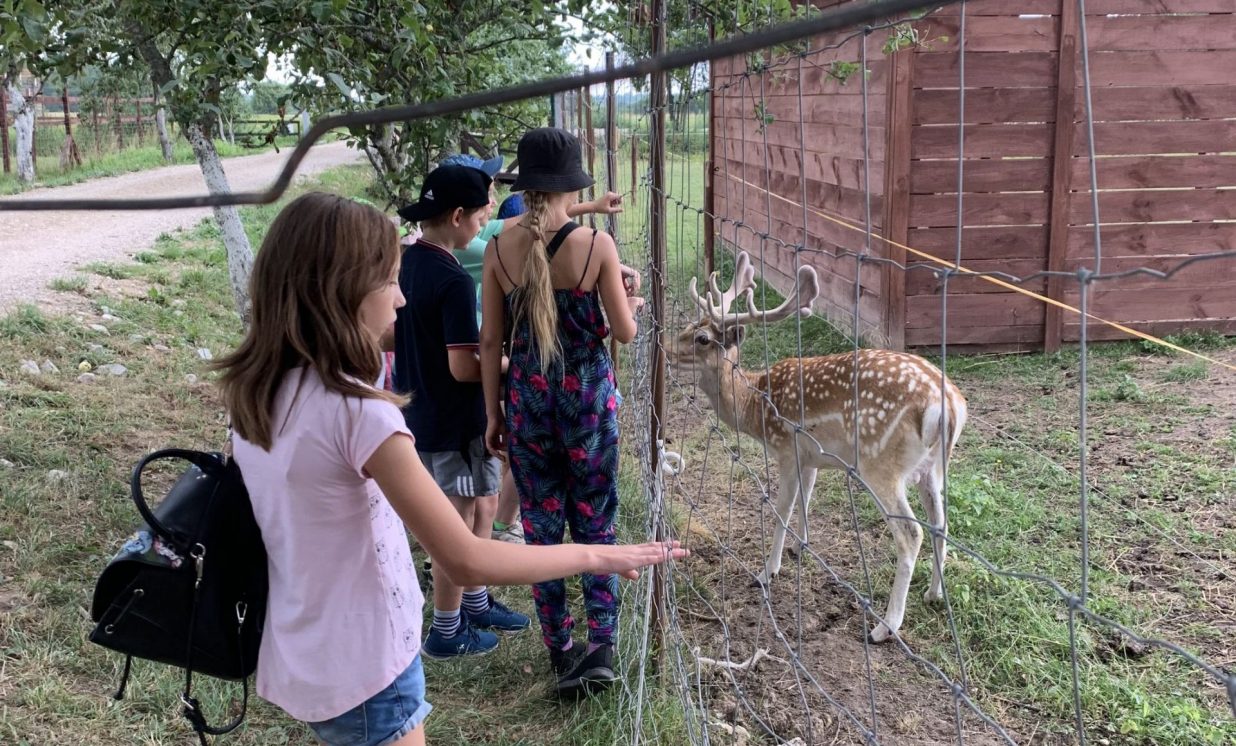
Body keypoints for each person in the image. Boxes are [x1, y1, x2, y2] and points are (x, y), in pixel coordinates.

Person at [216, 191, 685, 746]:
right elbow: (465, 558)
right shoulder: (360, 414)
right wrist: (602, 553)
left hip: (301, 652)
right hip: (369, 667)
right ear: (342, 291)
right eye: (390, 282)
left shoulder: (260, 393)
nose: (401, 299)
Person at [479, 128, 644, 697]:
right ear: (572, 186)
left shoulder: (498, 249)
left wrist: (493, 414)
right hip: (587, 409)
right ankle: (601, 646)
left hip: (527, 406)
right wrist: (630, 299)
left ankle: (559, 647)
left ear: (525, 186)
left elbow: (490, 343)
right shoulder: (596, 246)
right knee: (596, 518)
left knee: (542, 528)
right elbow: (624, 331)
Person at [391, 165, 529, 658]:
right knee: (456, 525)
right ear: (456, 216)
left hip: (421, 412)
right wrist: (516, 365)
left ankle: (476, 602)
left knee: (482, 507)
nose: (484, 221)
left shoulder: (410, 260)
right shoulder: (452, 278)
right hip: (455, 422)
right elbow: (463, 366)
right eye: (479, 214)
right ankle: (446, 631)